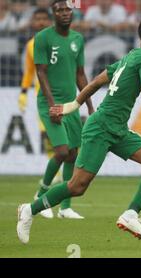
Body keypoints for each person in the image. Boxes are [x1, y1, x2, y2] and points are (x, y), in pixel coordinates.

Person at [17, 17, 141, 244]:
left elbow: (97, 81)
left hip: (117, 128)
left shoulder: (131, 56)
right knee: (77, 187)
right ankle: (29, 209)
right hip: (102, 127)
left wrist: (73, 105)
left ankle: (130, 214)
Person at [30, 0, 94, 220]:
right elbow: (41, 72)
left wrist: (90, 106)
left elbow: (80, 75)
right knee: (62, 151)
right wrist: (51, 105)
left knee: (73, 154)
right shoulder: (43, 38)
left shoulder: (78, 39)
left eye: (68, 9)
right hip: (50, 103)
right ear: (53, 14)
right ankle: (40, 195)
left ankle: (64, 208)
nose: (65, 13)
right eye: (60, 10)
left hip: (71, 104)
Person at [18, 8, 62, 200]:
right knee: (46, 133)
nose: (42, 22)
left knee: (66, 139)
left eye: (45, 18)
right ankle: (56, 173)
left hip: (63, 95)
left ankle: (60, 174)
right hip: (42, 98)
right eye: (38, 19)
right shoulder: (30, 45)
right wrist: (23, 92)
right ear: (33, 22)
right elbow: (29, 71)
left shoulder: (59, 42)